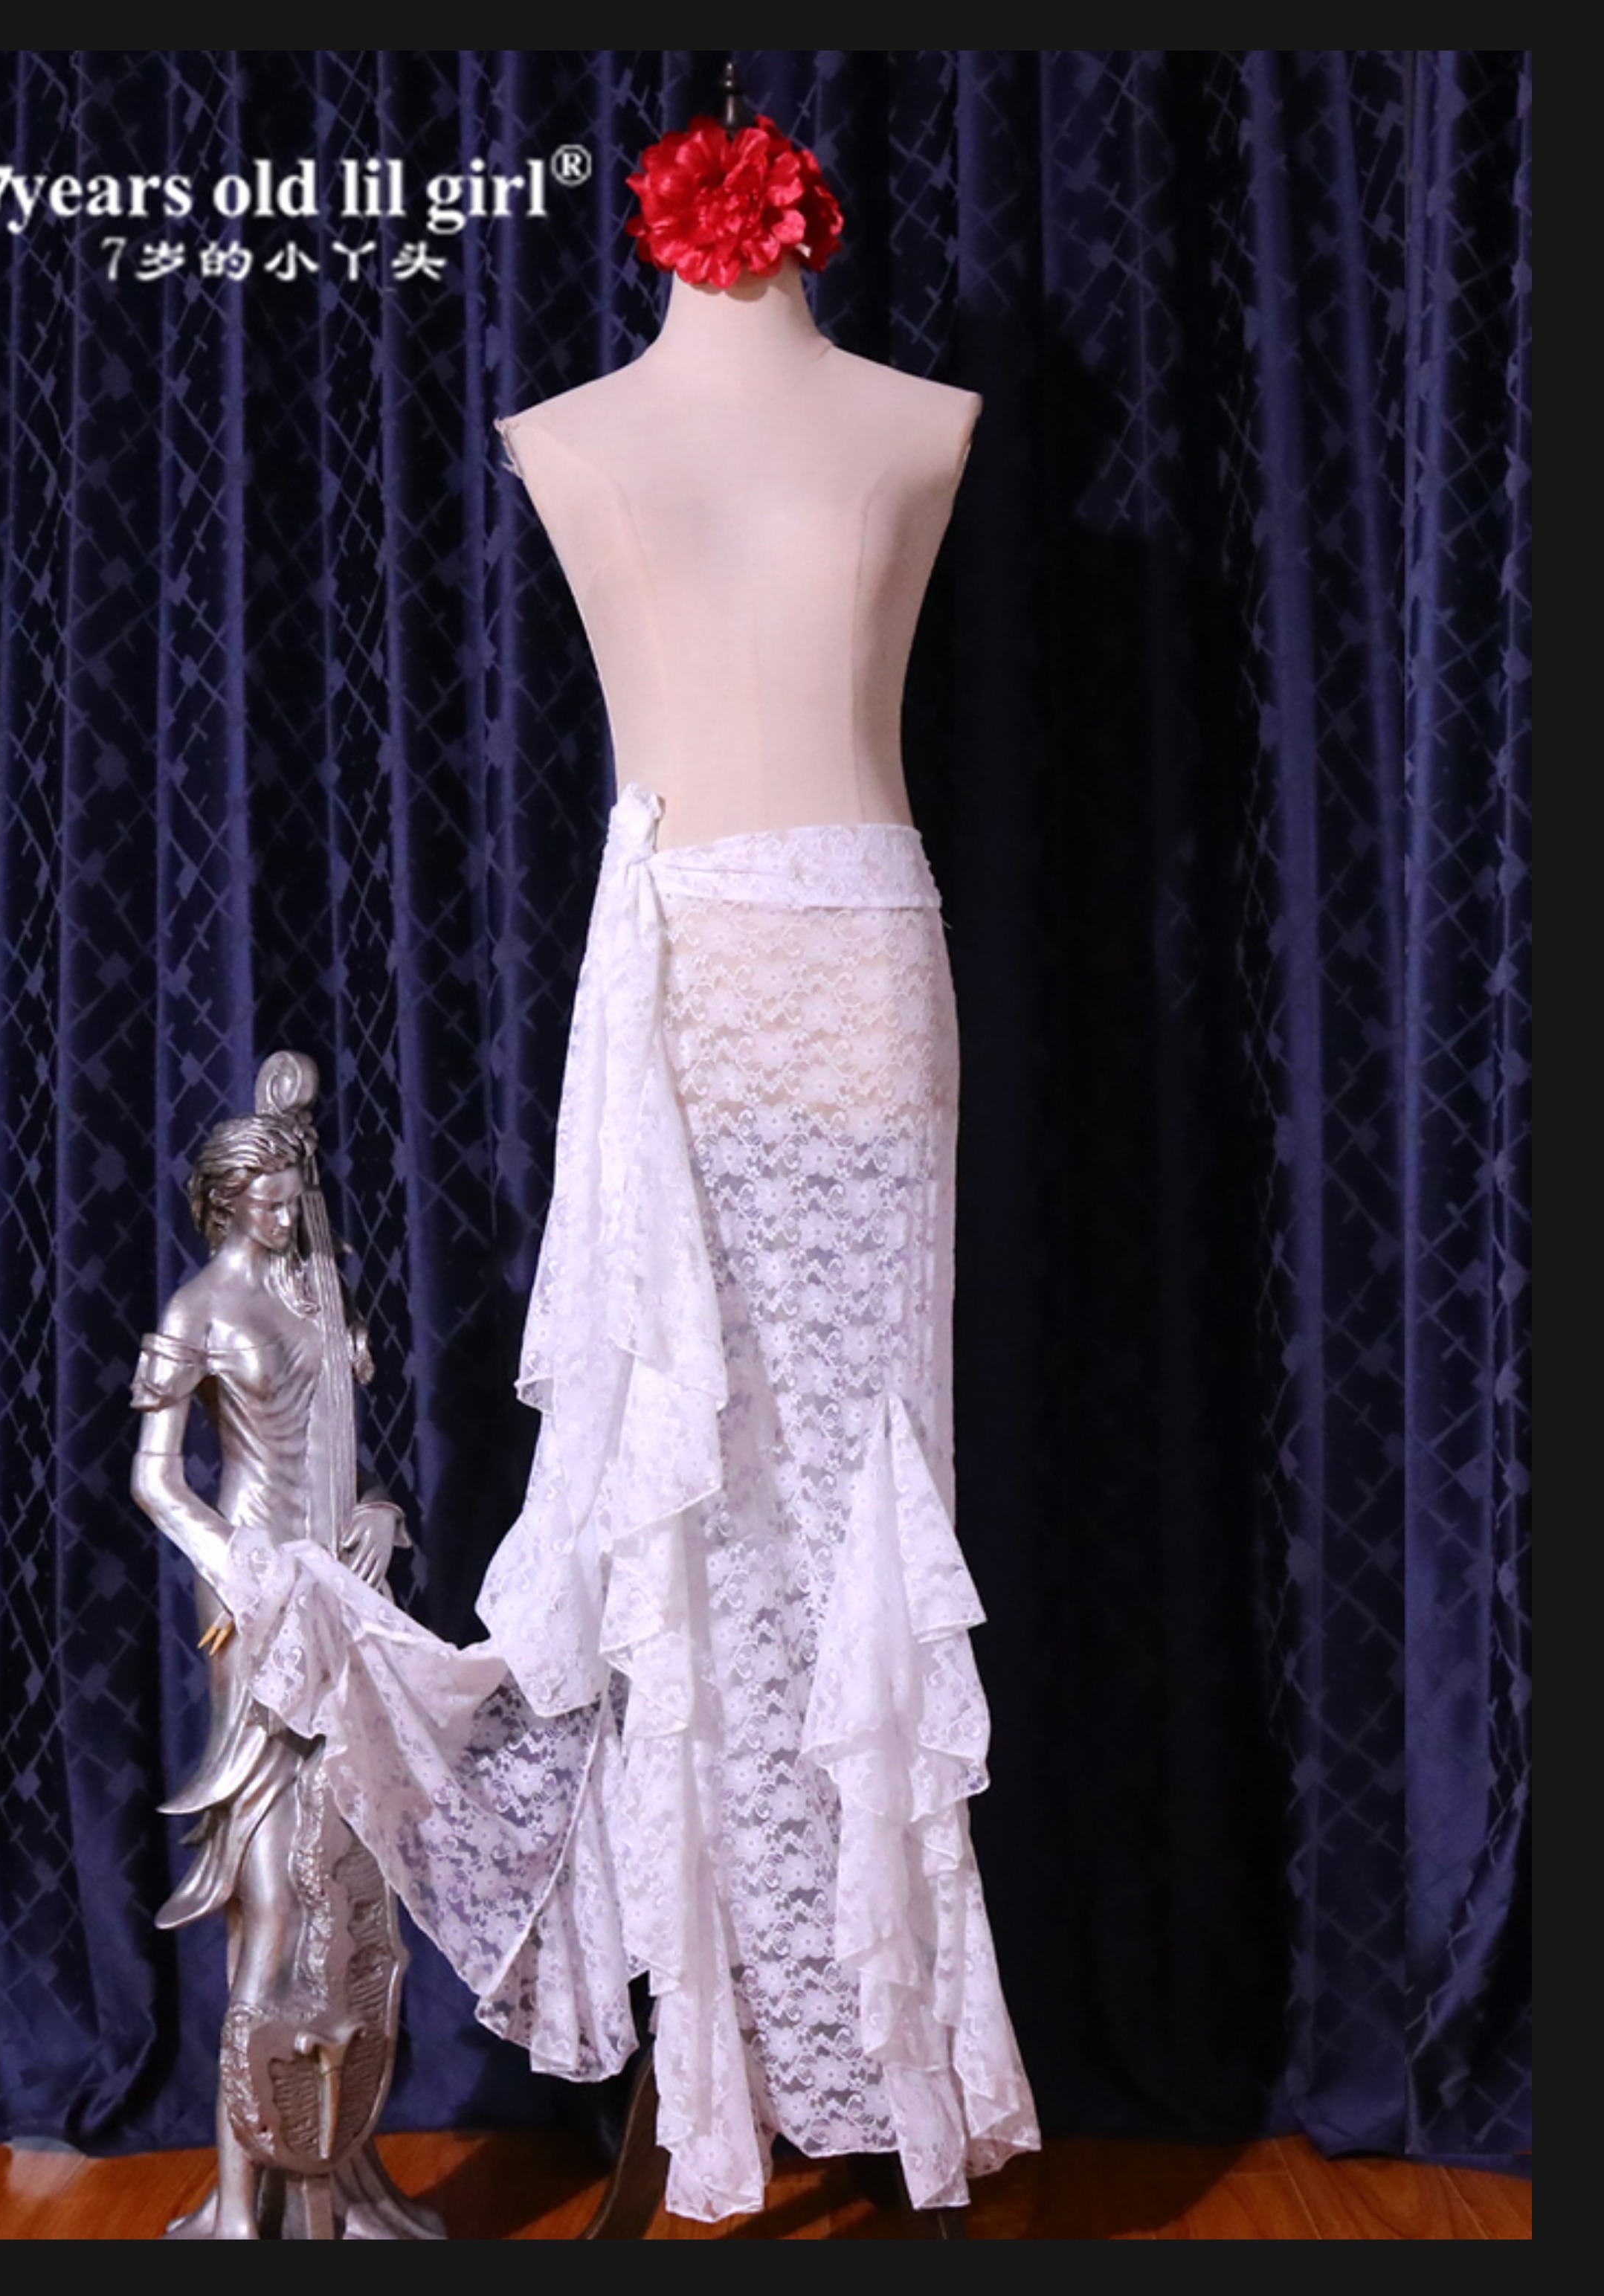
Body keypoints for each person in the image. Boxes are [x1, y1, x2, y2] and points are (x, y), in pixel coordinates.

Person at [470, 112, 1041, 2222]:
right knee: (693, 1506)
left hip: (867, 992)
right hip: (687, 990)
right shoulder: (567, 436)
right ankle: (711, 2054)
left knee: (865, 1483)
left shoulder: (921, 425)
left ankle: (887, 2043)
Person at [132, 1100, 440, 2240]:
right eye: (264, 1200)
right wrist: (238, 1566)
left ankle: (338, 2172)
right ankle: (240, 2201)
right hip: (254, 1603)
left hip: (340, 1593)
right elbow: (156, 1478)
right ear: (225, 1200)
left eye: (289, 1196)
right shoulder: (198, 1309)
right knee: (268, 1894)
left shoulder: (317, 1292)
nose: (283, 1215)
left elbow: (340, 1457)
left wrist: (380, 1515)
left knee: (344, 1877)